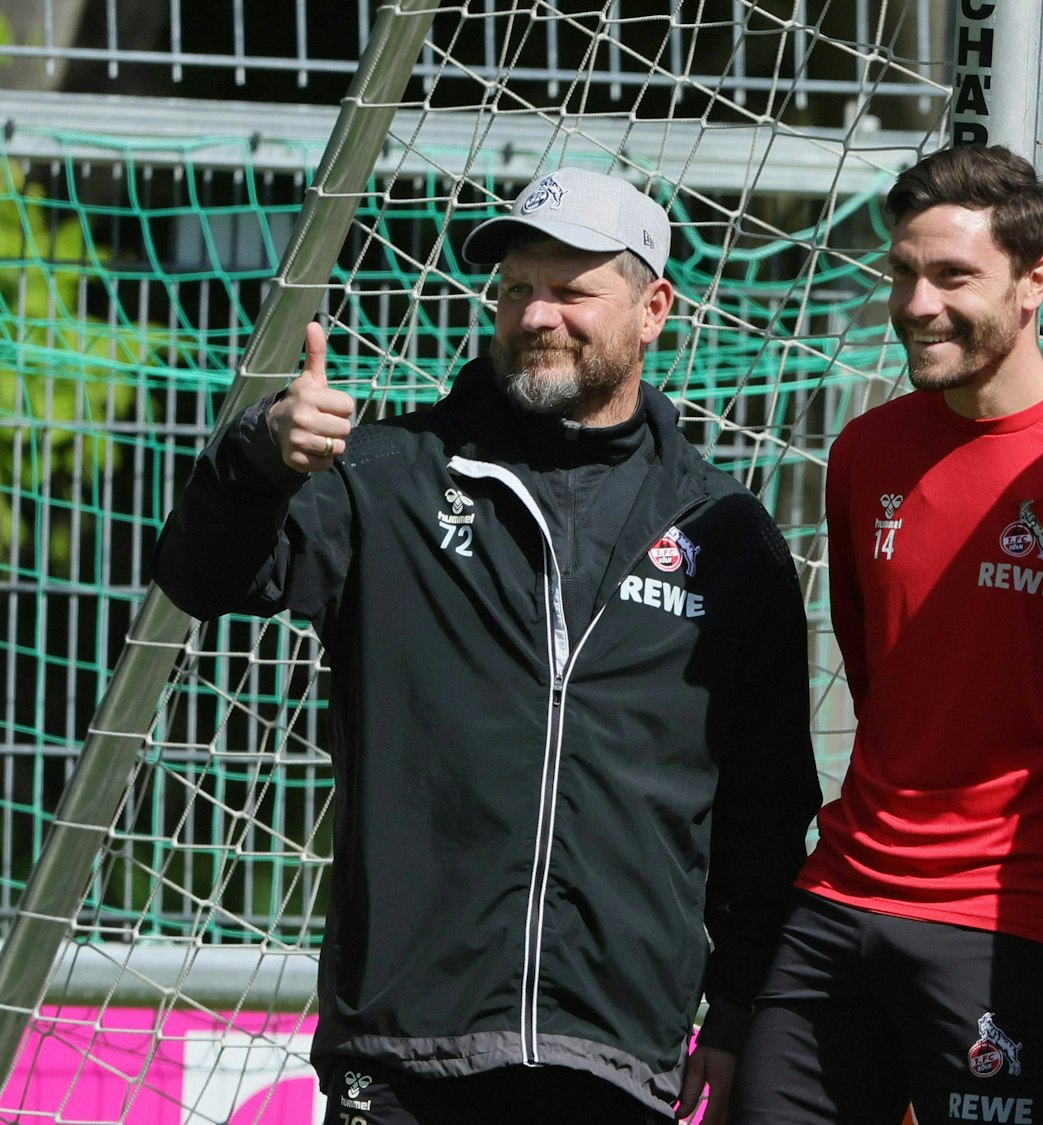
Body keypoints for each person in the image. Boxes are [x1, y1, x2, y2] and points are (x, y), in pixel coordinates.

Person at [154, 167, 820, 1125]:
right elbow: (202, 578)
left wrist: (742, 999)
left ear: (653, 310)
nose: (537, 314)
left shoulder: (725, 534)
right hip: (403, 1050)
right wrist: (256, 455)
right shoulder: (388, 477)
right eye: (515, 288)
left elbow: (765, 802)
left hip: (616, 1056)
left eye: (571, 290)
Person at [729, 145, 1043, 1124]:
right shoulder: (867, 450)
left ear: (1034, 281)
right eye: (903, 272)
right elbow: (879, 676)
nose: (916, 303)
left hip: (1011, 922)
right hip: (840, 894)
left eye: (952, 276)